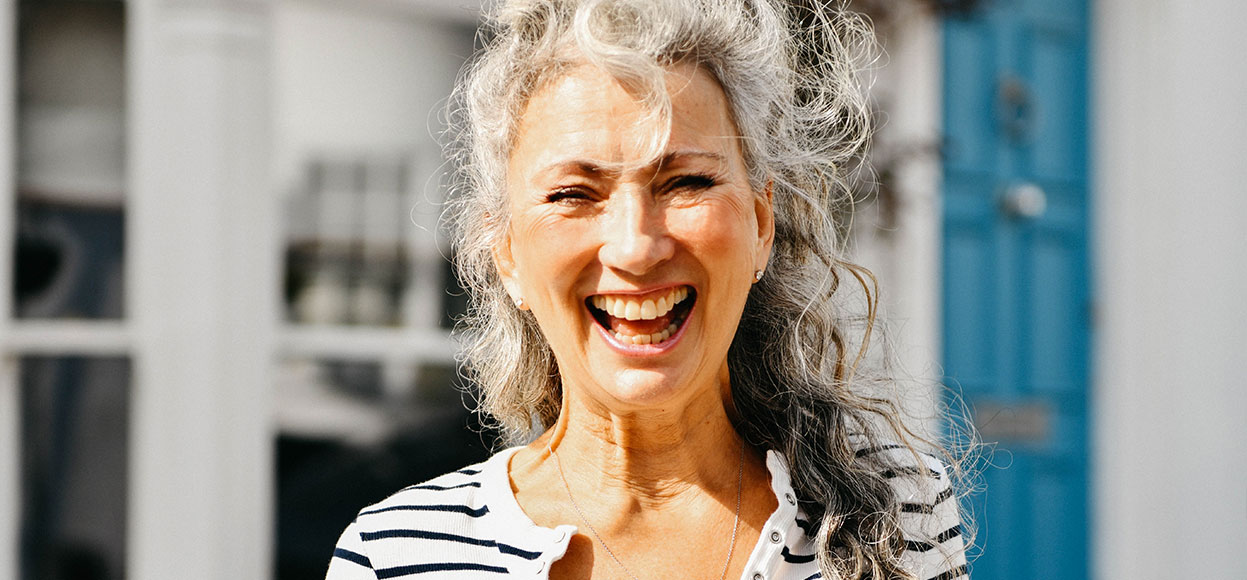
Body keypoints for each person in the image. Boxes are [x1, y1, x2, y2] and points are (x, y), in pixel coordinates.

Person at [327, 0, 969, 579]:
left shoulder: (893, 516)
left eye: (686, 182)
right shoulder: (395, 556)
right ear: (509, 254)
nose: (636, 247)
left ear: (761, 224)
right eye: (573, 194)